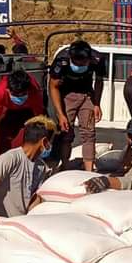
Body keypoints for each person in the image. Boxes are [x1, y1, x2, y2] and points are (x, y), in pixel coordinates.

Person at [0, 117, 55, 224]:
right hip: (2, 223)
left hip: (22, 224)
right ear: (44, 141)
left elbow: (31, 198)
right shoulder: (11, 158)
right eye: (50, 142)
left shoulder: (41, 167)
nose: (51, 146)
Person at [49, 40, 105, 171]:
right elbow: (53, 86)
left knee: (89, 133)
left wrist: (97, 104)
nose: (79, 66)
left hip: (87, 94)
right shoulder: (61, 60)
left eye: (83, 63)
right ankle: (65, 166)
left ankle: (88, 170)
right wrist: (60, 114)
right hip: (66, 95)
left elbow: (99, 81)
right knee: (66, 132)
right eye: (76, 63)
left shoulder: (98, 59)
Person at [0, 70, 45, 158]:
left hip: (28, 111)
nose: (19, 97)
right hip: (10, 111)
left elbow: (39, 117)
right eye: (16, 95)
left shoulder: (35, 91)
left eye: (23, 94)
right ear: (8, 90)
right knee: (3, 139)